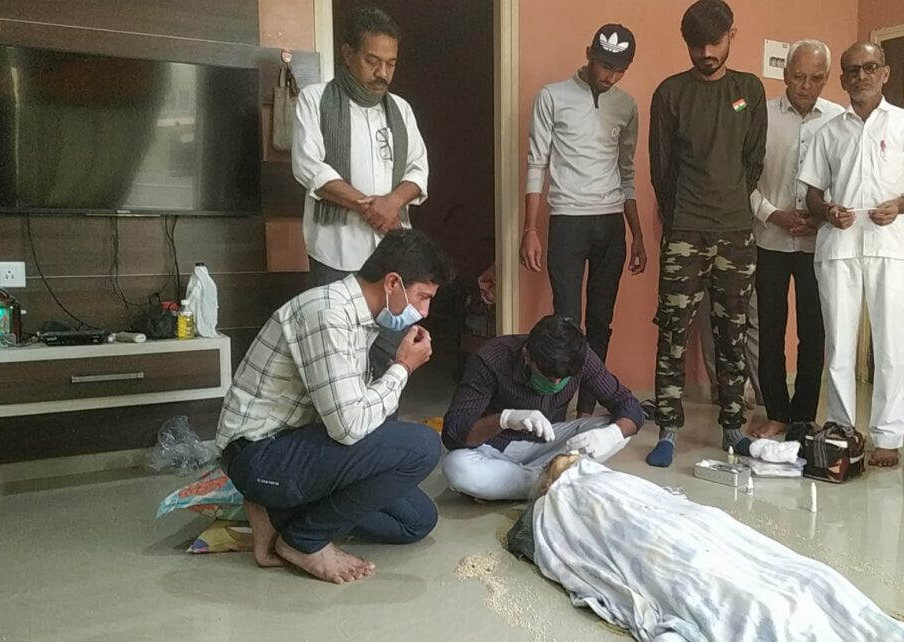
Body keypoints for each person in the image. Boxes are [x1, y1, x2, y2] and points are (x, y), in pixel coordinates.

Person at [505, 455, 904, 642]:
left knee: (809, 579)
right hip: (654, 542)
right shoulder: (559, 505)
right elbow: (579, 545)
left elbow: (672, 505)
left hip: (695, 525)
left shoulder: (610, 477)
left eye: (573, 457)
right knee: (750, 601)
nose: (571, 460)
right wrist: (560, 493)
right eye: (563, 463)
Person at [216, 229, 456, 583]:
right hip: (259, 453)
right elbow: (349, 427)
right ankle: (303, 540)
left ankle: (278, 511)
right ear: (393, 283)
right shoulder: (327, 314)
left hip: (299, 441)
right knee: (422, 445)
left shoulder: (361, 320)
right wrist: (402, 368)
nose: (423, 312)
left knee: (416, 520)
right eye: (422, 297)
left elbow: (355, 409)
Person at [799, 42, 904, 468]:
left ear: (885, 73)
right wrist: (828, 211)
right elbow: (811, 195)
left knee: (890, 345)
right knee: (839, 347)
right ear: (842, 79)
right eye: (852, 70)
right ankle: (842, 431)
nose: (861, 76)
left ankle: (887, 437)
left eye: (869, 67)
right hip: (838, 249)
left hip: (891, 248)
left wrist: (900, 205)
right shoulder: (828, 132)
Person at [647, 0, 767, 467]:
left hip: (736, 232)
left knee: (732, 332)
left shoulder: (749, 90)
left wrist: (729, 201)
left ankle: (733, 426)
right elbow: (661, 169)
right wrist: (684, 214)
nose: (706, 54)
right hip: (685, 233)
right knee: (672, 332)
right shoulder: (670, 93)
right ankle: (668, 429)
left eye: (714, 43)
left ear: (731, 35)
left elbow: (753, 160)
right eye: (696, 46)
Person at [292, 6, 429, 385]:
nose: (382, 72)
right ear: (348, 54)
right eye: (372, 61)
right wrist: (370, 207)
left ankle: (386, 421)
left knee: (391, 353)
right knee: (334, 358)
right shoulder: (316, 99)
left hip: (391, 254)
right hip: (334, 253)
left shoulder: (401, 110)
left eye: (391, 63)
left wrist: (392, 204)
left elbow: (418, 171)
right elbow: (310, 168)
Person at [521, 24, 647, 418]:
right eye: (605, 65)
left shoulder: (626, 106)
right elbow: (536, 163)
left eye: (619, 70)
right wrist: (529, 229)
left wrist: (637, 234)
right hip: (568, 221)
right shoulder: (552, 97)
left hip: (610, 223)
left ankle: (586, 411)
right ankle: (557, 410)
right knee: (566, 323)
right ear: (589, 54)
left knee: (600, 321)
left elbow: (626, 171)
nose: (610, 76)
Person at [747, 40, 843, 437]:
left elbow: (845, 181)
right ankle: (777, 413)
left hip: (818, 245)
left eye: (816, 78)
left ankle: (803, 417)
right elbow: (745, 178)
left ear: (826, 78)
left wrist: (821, 218)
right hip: (770, 239)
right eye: (799, 76)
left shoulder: (839, 119)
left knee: (814, 333)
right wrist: (775, 214)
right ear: (785, 75)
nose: (806, 85)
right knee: (769, 331)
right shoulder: (761, 116)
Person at [441, 315, 645, 501]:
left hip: (549, 440)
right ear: (527, 356)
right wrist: (505, 419)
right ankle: (554, 479)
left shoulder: (580, 357)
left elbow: (629, 405)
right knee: (456, 467)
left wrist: (611, 434)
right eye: (547, 377)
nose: (555, 384)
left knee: (618, 428)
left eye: (563, 379)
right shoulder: (491, 358)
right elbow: (453, 433)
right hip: (495, 446)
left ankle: (535, 481)